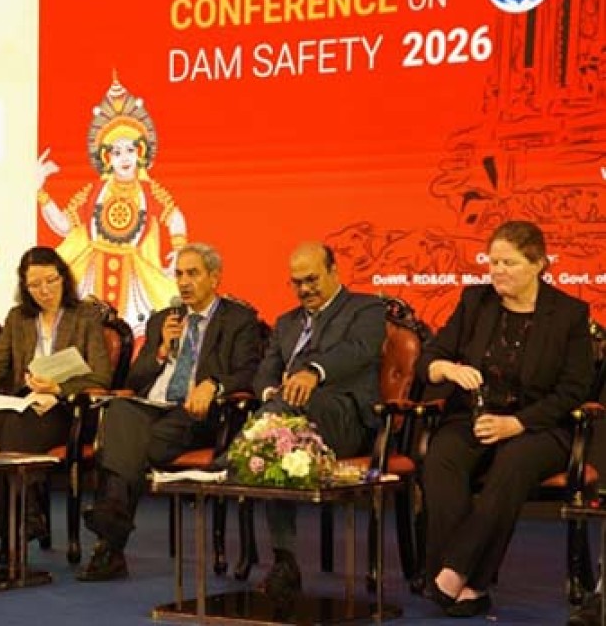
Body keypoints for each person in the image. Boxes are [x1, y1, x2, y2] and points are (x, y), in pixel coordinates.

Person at [419, 220, 593, 617]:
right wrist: (447, 369)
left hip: (539, 426)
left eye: (509, 263)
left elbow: (573, 390)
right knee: (442, 457)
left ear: (539, 264)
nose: (497, 270)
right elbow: (429, 359)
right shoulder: (475, 301)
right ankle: (465, 583)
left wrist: (516, 424)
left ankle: (459, 573)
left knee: (513, 462)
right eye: (493, 261)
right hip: (475, 416)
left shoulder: (568, 314)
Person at [76, 242, 261, 581]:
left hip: (196, 411)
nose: (184, 282)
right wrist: (161, 350)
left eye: (193, 273)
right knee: (119, 408)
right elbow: (135, 379)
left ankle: (110, 537)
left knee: (132, 446)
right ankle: (113, 526)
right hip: (154, 406)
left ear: (214, 278)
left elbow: (250, 371)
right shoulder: (163, 319)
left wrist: (214, 384)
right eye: (179, 274)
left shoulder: (238, 320)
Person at [254, 242, 386, 599]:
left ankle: (233, 460)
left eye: (311, 279)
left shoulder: (366, 308)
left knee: (268, 437)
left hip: (345, 419)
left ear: (334, 272)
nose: (304, 289)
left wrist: (313, 372)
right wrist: (271, 392)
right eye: (296, 282)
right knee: (277, 442)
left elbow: (358, 351)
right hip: (289, 417)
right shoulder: (286, 323)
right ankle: (284, 561)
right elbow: (265, 371)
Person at [0, 246, 112, 538]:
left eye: (51, 280)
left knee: (11, 426)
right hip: (25, 403)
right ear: (24, 287)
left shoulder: (84, 316)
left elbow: (101, 375)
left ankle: (16, 523)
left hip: (66, 407)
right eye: (35, 285)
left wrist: (58, 388)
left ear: (63, 277)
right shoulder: (18, 318)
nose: (44, 290)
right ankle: (27, 513)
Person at [38, 74, 188, 338]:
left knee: (138, 333)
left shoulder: (148, 191)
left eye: (130, 150)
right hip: (92, 270)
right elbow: (64, 226)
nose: (124, 158)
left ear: (141, 153)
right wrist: (41, 191)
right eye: (117, 153)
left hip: (134, 275)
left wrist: (178, 249)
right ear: (107, 158)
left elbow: (174, 216)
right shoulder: (94, 192)